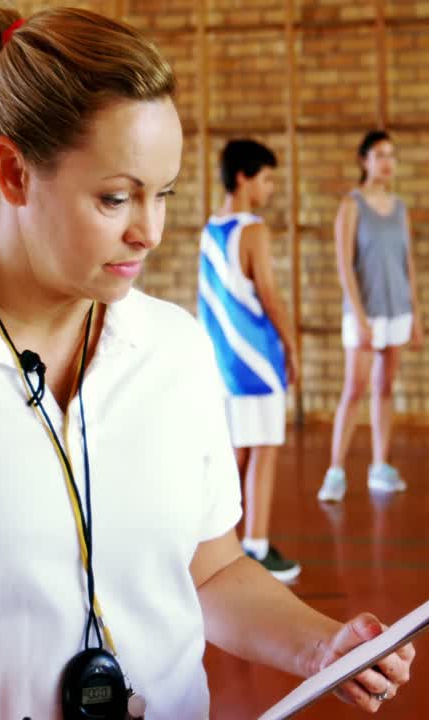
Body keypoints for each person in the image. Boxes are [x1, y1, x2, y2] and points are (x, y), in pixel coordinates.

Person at [0, 6, 412, 718]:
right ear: (14, 172)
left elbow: (211, 568)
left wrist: (320, 647)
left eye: (164, 195)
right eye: (115, 197)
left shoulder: (179, 350)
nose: (149, 230)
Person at [198, 139, 301, 581]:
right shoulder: (254, 230)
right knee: (265, 451)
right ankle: (255, 546)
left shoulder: (209, 228)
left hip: (222, 359)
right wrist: (292, 345)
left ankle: (223, 544)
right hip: (256, 358)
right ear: (243, 177)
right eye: (266, 178)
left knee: (235, 453)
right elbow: (270, 296)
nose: (270, 188)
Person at [317, 130, 423, 503]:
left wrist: (416, 313)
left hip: (398, 311)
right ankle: (335, 471)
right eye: (380, 154)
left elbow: (407, 262)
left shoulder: (400, 207)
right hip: (364, 312)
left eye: (392, 155)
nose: (387, 162)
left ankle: (380, 466)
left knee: (385, 388)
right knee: (355, 390)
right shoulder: (351, 205)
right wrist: (360, 316)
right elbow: (344, 264)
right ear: (364, 160)